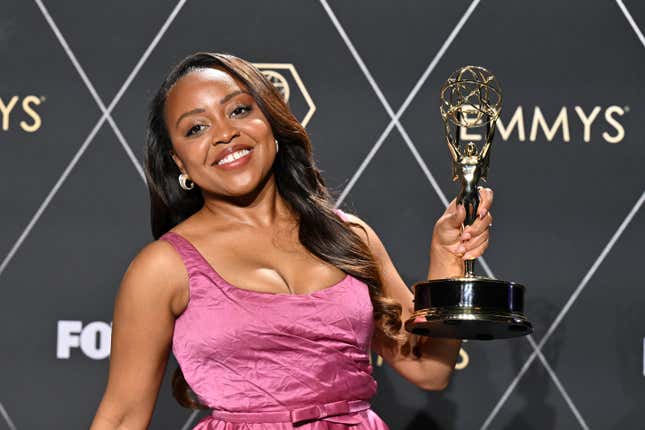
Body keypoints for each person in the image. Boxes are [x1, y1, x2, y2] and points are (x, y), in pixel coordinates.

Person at [89, 52, 493, 430]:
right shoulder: (162, 267)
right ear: (180, 163)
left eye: (239, 110)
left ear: (271, 122)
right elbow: (123, 415)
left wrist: (447, 261)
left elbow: (430, 369)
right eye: (196, 128)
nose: (225, 134)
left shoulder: (350, 236)